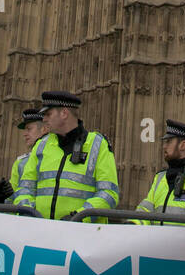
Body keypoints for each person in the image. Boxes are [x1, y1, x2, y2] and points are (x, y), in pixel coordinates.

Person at [11, 90, 118, 221]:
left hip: (81, 234)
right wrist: (29, 214)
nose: (44, 119)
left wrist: (78, 217)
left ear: (64, 113)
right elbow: (24, 188)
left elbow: (109, 194)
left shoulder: (98, 144)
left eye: (48, 114)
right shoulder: (41, 146)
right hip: (40, 233)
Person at [10, 108, 44, 191]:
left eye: (29, 129)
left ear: (43, 129)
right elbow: (12, 195)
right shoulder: (20, 163)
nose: (25, 134)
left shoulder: (57, 155)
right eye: (25, 130)